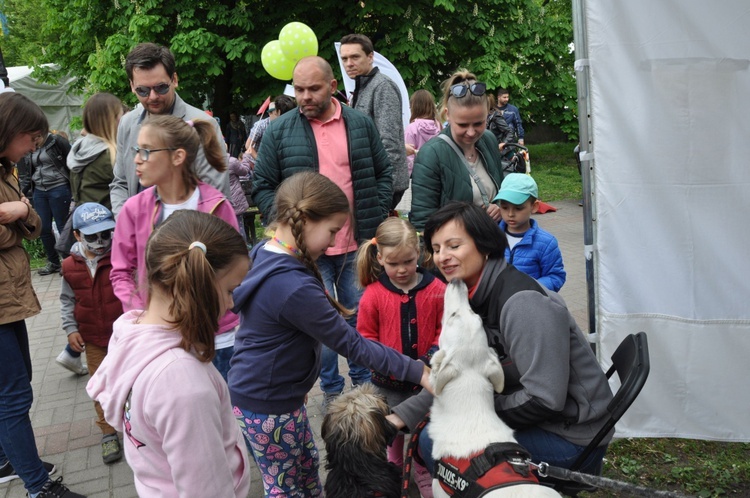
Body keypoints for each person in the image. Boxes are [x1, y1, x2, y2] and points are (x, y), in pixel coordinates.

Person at [230, 171, 430, 497]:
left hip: (271, 395)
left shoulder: (268, 250)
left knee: (305, 472)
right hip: (269, 402)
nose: (336, 241)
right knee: (289, 489)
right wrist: (419, 371)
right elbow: (352, 345)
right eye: (333, 231)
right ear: (306, 219)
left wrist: (294, 384)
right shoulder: (292, 286)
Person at [387, 201, 613, 477]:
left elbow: (545, 399)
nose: (442, 257)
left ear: (484, 245)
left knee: (436, 442)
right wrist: (398, 418)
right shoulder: (468, 293)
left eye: (454, 246)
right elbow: (454, 374)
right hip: (546, 420)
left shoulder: (523, 304)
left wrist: (471, 410)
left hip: (570, 437)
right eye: (435, 249)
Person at [252, 56, 393, 407]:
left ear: (332, 87)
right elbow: (263, 186)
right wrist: (291, 226)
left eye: (313, 88)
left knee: (361, 317)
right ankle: (331, 390)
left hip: (355, 245)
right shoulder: (280, 130)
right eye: (298, 89)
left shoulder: (360, 124)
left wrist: (374, 218)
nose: (304, 96)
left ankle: (364, 386)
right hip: (305, 252)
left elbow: (382, 174)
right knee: (320, 325)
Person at [87, 210, 251, 497]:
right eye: (229, 289)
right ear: (197, 282)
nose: (231, 303)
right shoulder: (183, 384)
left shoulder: (131, 331)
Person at [110, 115, 240, 381]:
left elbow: (236, 271)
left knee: (225, 413)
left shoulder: (217, 206)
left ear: (177, 157)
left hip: (217, 335)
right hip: (161, 337)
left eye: (146, 151)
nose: (136, 158)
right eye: (136, 150)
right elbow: (121, 272)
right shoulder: (133, 210)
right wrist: (146, 313)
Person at [0, 92, 85, 498]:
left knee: (19, 384)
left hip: (8, 299)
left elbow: (32, 223)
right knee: (13, 395)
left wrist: (20, 214)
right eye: (30, 139)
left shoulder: (6, 169)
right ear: (10, 130)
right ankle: (38, 487)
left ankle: (8, 458)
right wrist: (17, 217)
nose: (32, 148)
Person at [355, 216, 445, 497]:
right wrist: (382, 363)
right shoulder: (373, 295)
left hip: (425, 387)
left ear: (419, 253)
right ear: (379, 257)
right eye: (393, 264)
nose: (402, 269)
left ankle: (423, 478)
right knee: (391, 444)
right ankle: (396, 483)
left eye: (408, 261)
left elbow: (445, 329)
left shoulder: (437, 290)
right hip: (387, 387)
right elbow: (365, 338)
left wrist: (431, 355)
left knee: (422, 442)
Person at [109, 42, 230, 217]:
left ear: (174, 79)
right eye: (142, 90)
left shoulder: (202, 124)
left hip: (188, 235)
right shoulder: (127, 123)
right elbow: (120, 183)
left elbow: (215, 195)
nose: (153, 96)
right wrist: (127, 222)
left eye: (161, 87)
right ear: (132, 86)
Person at [56, 203, 123, 464]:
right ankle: (107, 431)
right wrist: (70, 329)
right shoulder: (69, 266)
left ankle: (137, 424)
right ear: (76, 236)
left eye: (106, 234)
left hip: (123, 337)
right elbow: (66, 300)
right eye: (92, 236)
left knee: (131, 382)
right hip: (93, 339)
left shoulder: (119, 256)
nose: (100, 242)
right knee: (99, 386)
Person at [409, 70, 505, 232]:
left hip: (493, 246)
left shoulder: (488, 140)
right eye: (462, 125)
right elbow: (422, 221)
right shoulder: (431, 155)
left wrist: (500, 206)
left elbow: (502, 189)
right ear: (447, 115)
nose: (471, 132)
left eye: (478, 123)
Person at [340, 33, 409, 208]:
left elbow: (390, 144)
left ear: (370, 57)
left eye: (355, 57)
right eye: (345, 58)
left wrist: (383, 190)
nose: (349, 63)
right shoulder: (362, 87)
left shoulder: (382, 86)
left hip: (380, 187)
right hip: (368, 184)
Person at [493, 173, 566, 292]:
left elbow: (556, 277)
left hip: (530, 304)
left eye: (518, 208)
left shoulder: (546, 242)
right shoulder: (491, 236)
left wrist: (530, 287)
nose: (510, 214)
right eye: (504, 207)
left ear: (534, 206)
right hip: (497, 306)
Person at [17, 130, 72, 275]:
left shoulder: (57, 141)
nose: (34, 141)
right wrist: (21, 193)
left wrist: (74, 190)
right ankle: (53, 262)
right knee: (43, 227)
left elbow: (71, 164)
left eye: (36, 138)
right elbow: (25, 174)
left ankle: (69, 263)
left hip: (59, 188)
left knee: (62, 226)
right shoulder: (30, 146)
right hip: (39, 191)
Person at [68, 93, 124, 209]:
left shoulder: (79, 148)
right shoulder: (109, 155)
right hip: (108, 221)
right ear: (112, 120)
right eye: (121, 116)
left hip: (85, 219)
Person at [241, 94, 295, 172]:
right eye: (268, 111)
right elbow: (248, 145)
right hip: (259, 164)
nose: (269, 113)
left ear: (278, 112)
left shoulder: (288, 125)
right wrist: (260, 161)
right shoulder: (261, 125)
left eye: (271, 111)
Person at [404, 89, 442, 177]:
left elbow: (408, 157)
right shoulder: (438, 125)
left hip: (418, 175)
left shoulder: (411, 128)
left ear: (414, 107)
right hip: (436, 173)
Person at [226, 154, 250, 241]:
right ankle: (242, 248)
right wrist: (246, 157)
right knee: (239, 227)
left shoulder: (209, 162)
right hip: (235, 201)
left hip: (220, 202)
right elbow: (245, 171)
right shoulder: (231, 162)